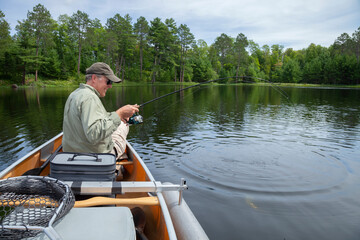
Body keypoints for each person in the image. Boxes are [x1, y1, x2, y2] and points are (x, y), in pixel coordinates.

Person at [62, 62, 139, 159]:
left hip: (71, 155)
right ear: (94, 78)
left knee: (117, 122)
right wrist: (119, 114)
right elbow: (94, 135)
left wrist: (117, 115)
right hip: (97, 157)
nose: (110, 86)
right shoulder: (90, 98)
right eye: (108, 81)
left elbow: (90, 118)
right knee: (123, 126)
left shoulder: (76, 93)